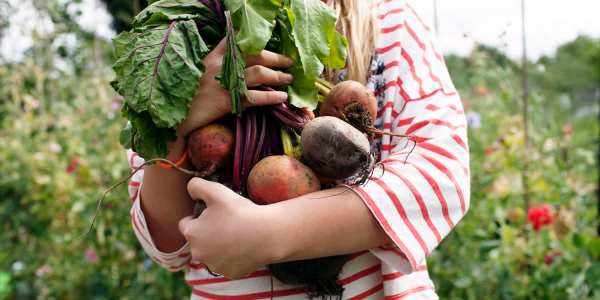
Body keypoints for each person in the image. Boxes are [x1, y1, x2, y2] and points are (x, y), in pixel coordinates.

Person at [126, 0, 470, 298]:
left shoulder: (387, 23)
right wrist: (178, 118)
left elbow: (442, 177)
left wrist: (273, 232)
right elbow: (168, 247)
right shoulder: (187, 44)